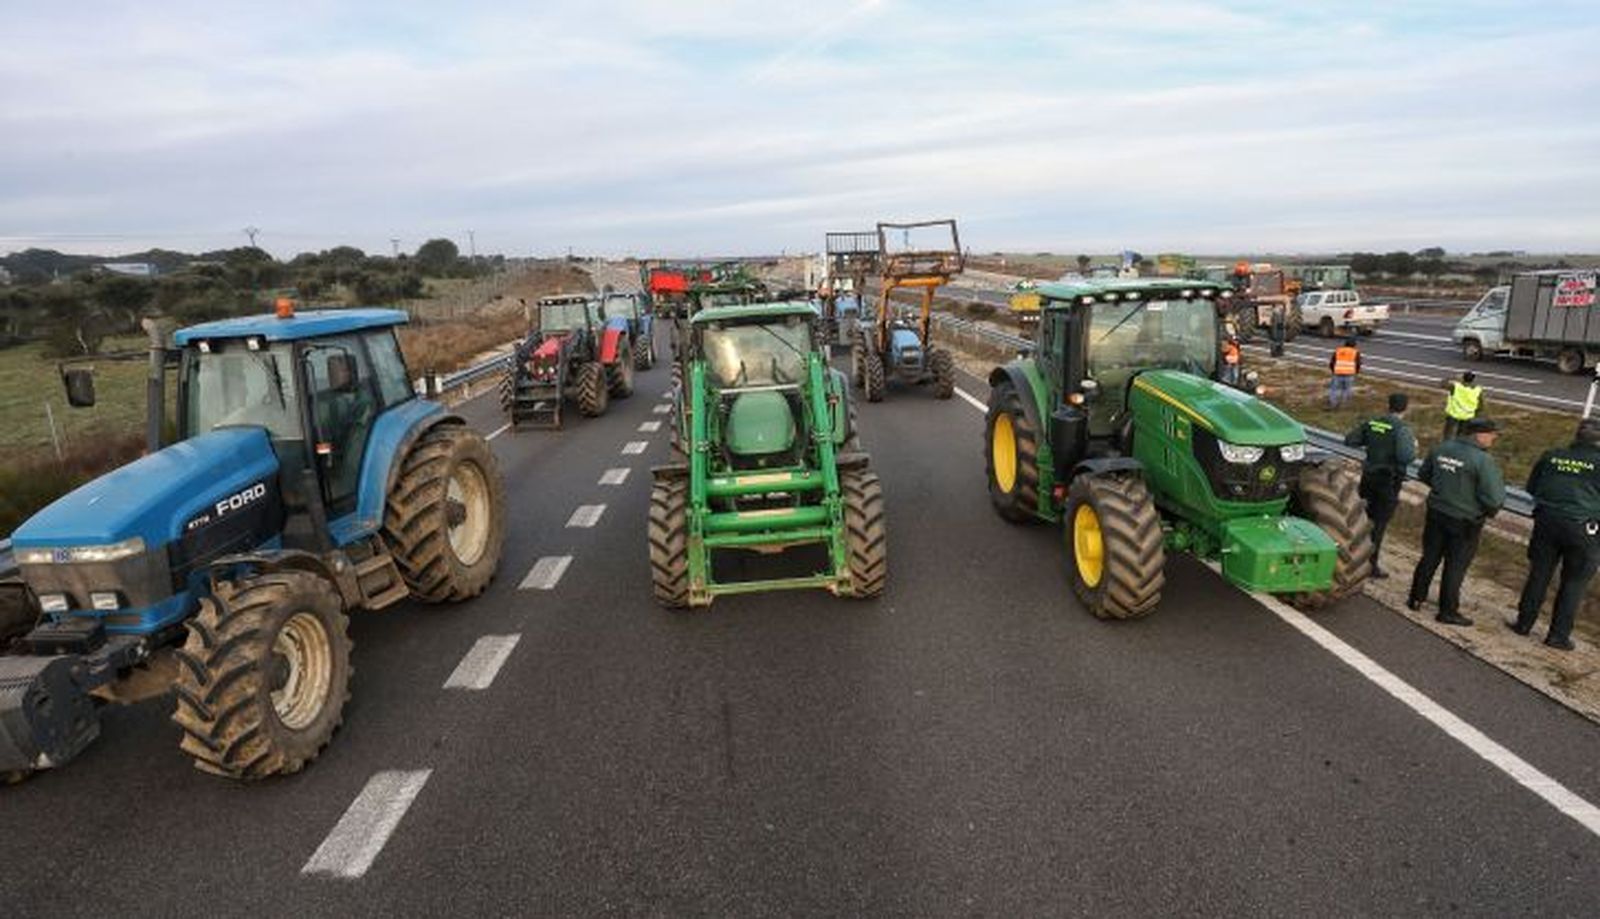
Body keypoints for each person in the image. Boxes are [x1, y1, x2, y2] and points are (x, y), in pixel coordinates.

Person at [1407, 418, 1506, 625]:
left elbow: (1424, 474)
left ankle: (1416, 598)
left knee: (1430, 557)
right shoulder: (1482, 460)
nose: (1494, 439)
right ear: (1479, 434)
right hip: (1465, 520)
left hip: (1436, 512)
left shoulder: (1442, 447)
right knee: (1455, 566)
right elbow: (1495, 498)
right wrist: (1484, 509)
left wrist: (1443, 489)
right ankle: (1448, 611)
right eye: (1492, 434)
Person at [1511, 417, 1600, 650]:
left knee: (1538, 574)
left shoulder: (1551, 455)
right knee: (1574, 582)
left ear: (1576, 435)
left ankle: (1523, 624)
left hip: (1546, 521)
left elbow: (1532, 487)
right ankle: (1558, 636)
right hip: (1583, 528)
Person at [1344, 392, 1417, 578]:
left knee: (1362, 520)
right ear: (1406, 408)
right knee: (1379, 524)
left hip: (1368, 477)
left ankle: (1350, 557)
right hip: (1388, 481)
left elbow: (1350, 440)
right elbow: (1406, 457)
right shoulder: (1402, 429)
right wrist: (1414, 447)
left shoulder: (1374, 422)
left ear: (1389, 405)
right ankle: (1370, 565)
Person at [1441, 370, 1484, 441]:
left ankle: (1446, 446)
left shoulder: (1456, 387)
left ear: (1463, 378)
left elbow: (1443, 384)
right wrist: (1477, 414)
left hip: (1454, 414)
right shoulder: (1477, 390)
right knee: (1461, 435)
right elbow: (1481, 404)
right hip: (1467, 416)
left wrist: (1453, 377)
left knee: (1448, 434)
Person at [1327, 335, 1361, 408]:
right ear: (1354, 345)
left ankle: (1333, 403)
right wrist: (1356, 372)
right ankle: (1344, 404)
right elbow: (1358, 364)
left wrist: (1333, 370)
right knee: (1347, 389)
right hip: (1349, 374)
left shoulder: (1338, 350)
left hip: (1337, 373)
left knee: (1334, 389)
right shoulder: (1355, 352)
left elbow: (1332, 362)